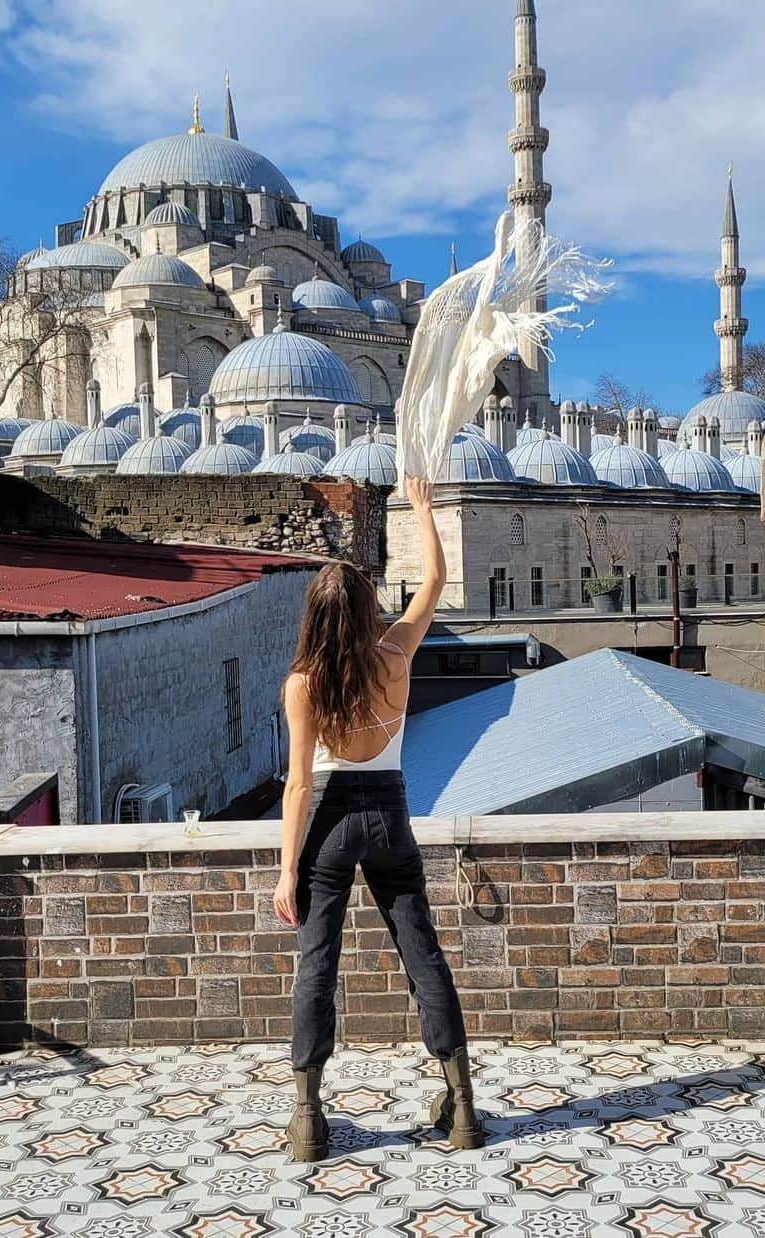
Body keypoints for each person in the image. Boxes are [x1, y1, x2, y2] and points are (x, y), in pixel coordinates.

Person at [274, 475, 483, 1163]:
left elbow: (300, 784)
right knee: (422, 953)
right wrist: (422, 510)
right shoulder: (395, 656)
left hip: (332, 822)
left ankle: (307, 1118)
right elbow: (436, 580)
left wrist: (286, 873)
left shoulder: (303, 683)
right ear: (365, 608)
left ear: (312, 614)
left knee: (318, 967)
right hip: (391, 813)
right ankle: (463, 1109)